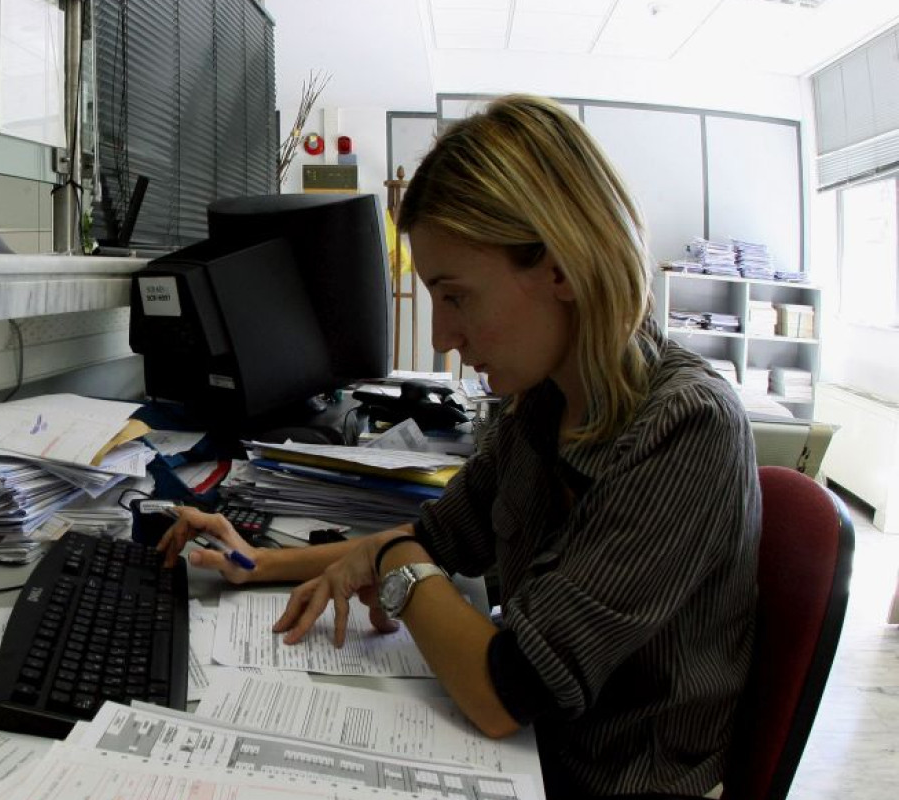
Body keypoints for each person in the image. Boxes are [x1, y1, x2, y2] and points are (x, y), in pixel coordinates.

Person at [158, 94, 760, 798]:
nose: (442, 336)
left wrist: (395, 563)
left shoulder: (688, 427)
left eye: (457, 296)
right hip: (535, 759)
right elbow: (436, 539)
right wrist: (258, 562)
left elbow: (505, 691)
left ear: (560, 268)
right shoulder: (542, 406)